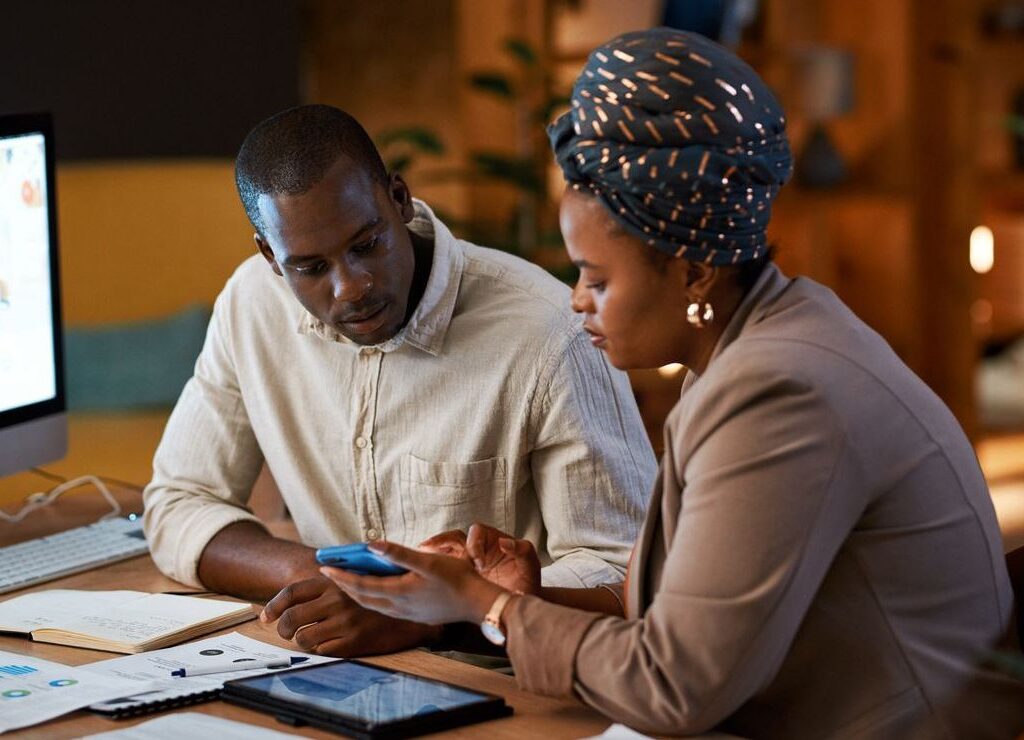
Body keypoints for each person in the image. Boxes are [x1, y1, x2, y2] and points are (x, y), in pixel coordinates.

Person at [319, 29, 1024, 738]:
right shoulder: (767, 334)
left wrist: (485, 609)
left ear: (693, 271)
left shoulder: (779, 393)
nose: (576, 300)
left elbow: (675, 686)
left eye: (596, 278)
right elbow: (690, 610)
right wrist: (526, 596)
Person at [142, 105, 656, 657]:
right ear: (270, 255)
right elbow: (178, 503)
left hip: (511, 672)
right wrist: (333, 577)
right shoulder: (250, 304)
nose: (351, 287)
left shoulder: (551, 332)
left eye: (366, 245)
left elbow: (626, 574)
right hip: (341, 663)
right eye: (311, 268)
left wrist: (427, 614)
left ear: (400, 199)